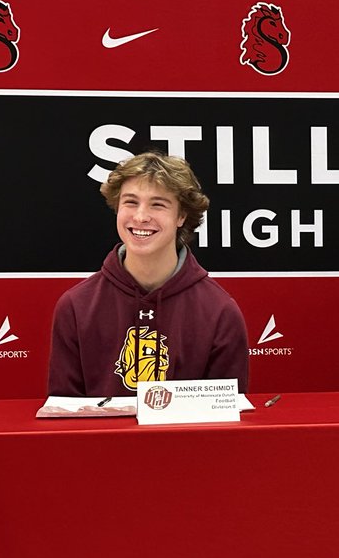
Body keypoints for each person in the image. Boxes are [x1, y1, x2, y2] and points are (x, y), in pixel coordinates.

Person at [48, 151, 249, 396]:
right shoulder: (76, 306)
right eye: (130, 202)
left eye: (158, 204)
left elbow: (225, 424)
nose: (141, 216)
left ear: (181, 216)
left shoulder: (220, 311)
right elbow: (63, 421)